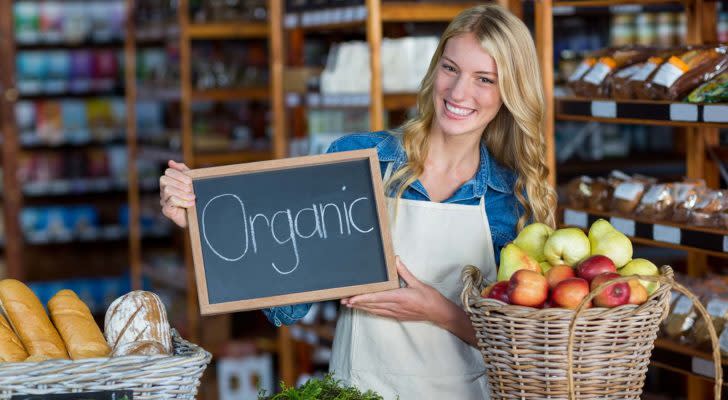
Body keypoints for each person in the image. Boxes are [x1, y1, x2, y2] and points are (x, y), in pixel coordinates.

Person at [159, 4, 555, 399]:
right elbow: (290, 299)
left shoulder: (511, 197)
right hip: (360, 391)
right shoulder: (362, 160)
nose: (458, 92)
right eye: (450, 68)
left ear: (510, 92)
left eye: (484, 78)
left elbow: (525, 346)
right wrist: (204, 222)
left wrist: (437, 310)